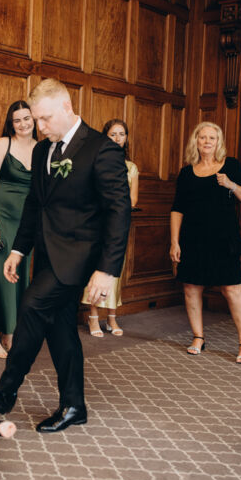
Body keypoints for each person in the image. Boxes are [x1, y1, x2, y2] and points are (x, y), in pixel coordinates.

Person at [0, 78, 131, 432]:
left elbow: (119, 212)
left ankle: (6, 391)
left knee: (31, 306)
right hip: (48, 255)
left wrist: (107, 270)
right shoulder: (42, 151)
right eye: (36, 119)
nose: (40, 126)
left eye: (45, 119)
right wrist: (19, 250)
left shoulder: (101, 149)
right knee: (60, 329)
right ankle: (74, 405)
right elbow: (36, 204)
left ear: (67, 107)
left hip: (79, 257)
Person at [170, 122, 241, 364]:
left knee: (232, 289)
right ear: (195, 141)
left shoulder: (231, 165)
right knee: (191, 287)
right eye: (203, 137)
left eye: (212, 138)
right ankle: (198, 337)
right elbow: (177, 209)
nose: (207, 142)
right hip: (193, 239)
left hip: (223, 239)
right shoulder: (187, 173)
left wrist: (231, 184)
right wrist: (174, 241)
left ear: (219, 142)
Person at [0, 101, 37, 358]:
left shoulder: (41, 148)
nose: (23, 124)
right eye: (17, 120)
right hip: (1, 219)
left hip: (27, 222)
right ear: (11, 123)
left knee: (21, 275)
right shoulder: (2, 144)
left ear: (34, 119)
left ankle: (11, 333)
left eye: (27, 118)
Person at [83, 119, 139, 337]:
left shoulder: (131, 168)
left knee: (116, 270)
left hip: (118, 225)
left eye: (121, 134)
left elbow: (132, 200)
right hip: (97, 224)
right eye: (113, 134)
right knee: (96, 268)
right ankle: (93, 317)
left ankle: (112, 317)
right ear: (105, 137)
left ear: (126, 138)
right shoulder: (96, 162)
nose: (117, 138)